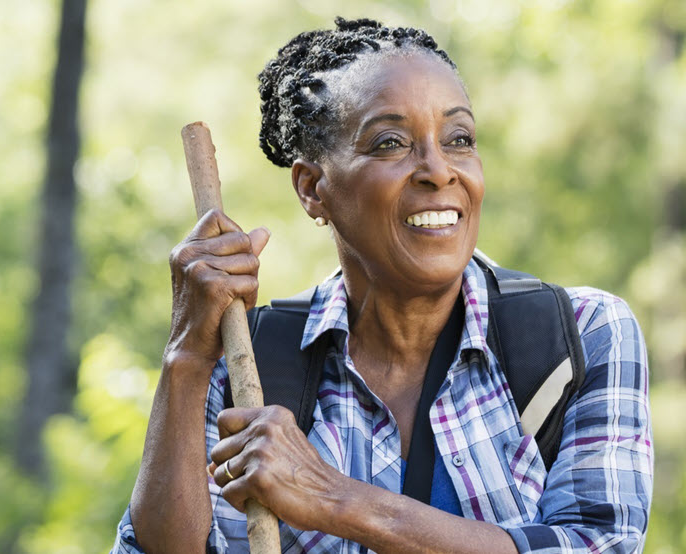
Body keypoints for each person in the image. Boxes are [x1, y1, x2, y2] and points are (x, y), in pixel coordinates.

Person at [112, 17, 652, 553]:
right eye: (391, 143)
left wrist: (331, 498)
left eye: (459, 138)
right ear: (312, 189)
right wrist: (185, 355)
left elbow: (598, 545)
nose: (438, 171)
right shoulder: (244, 358)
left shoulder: (577, 338)